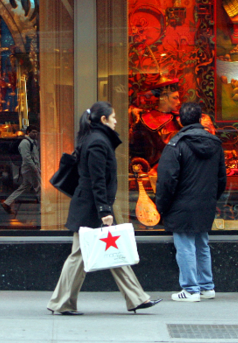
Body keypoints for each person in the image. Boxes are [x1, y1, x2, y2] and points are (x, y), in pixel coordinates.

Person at [47, 101, 162, 315]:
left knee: (111, 250)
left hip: (91, 206)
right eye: (114, 117)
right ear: (103, 120)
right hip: (91, 209)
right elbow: (96, 180)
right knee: (81, 256)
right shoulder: (98, 143)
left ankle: (137, 298)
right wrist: (105, 211)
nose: (116, 120)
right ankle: (61, 303)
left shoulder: (94, 139)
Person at [155, 102, 227, 303]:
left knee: (185, 245)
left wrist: (162, 206)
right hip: (205, 203)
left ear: (179, 119)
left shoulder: (176, 144)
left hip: (181, 204)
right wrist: (211, 198)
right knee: (202, 243)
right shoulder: (215, 144)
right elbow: (222, 178)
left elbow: (166, 180)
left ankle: (190, 289)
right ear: (199, 119)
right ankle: (206, 286)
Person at [130, 81, 216, 170]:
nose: (179, 102)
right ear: (164, 98)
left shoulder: (179, 118)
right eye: (175, 98)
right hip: (159, 168)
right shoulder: (145, 120)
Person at [1, 126, 40, 216]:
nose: (35, 134)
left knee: (24, 187)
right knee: (39, 187)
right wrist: (35, 168)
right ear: (28, 132)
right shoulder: (25, 143)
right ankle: (44, 207)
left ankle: (7, 203)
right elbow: (27, 158)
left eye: (36, 132)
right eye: (33, 132)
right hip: (29, 169)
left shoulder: (32, 142)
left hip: (30, 169)